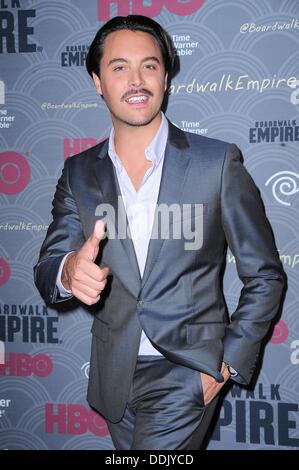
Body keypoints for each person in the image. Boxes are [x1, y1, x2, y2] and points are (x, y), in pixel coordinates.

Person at [34, 15, 285, 450]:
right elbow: (48, 268)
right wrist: (70, 269)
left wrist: (223, 365)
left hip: (186, 375)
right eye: (119, 67)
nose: (136, 80)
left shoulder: (216, 163)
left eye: (149, 65)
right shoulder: (78, 172)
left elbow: (265, 276)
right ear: (97, 81)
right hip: (113, 377)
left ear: (166, 76)